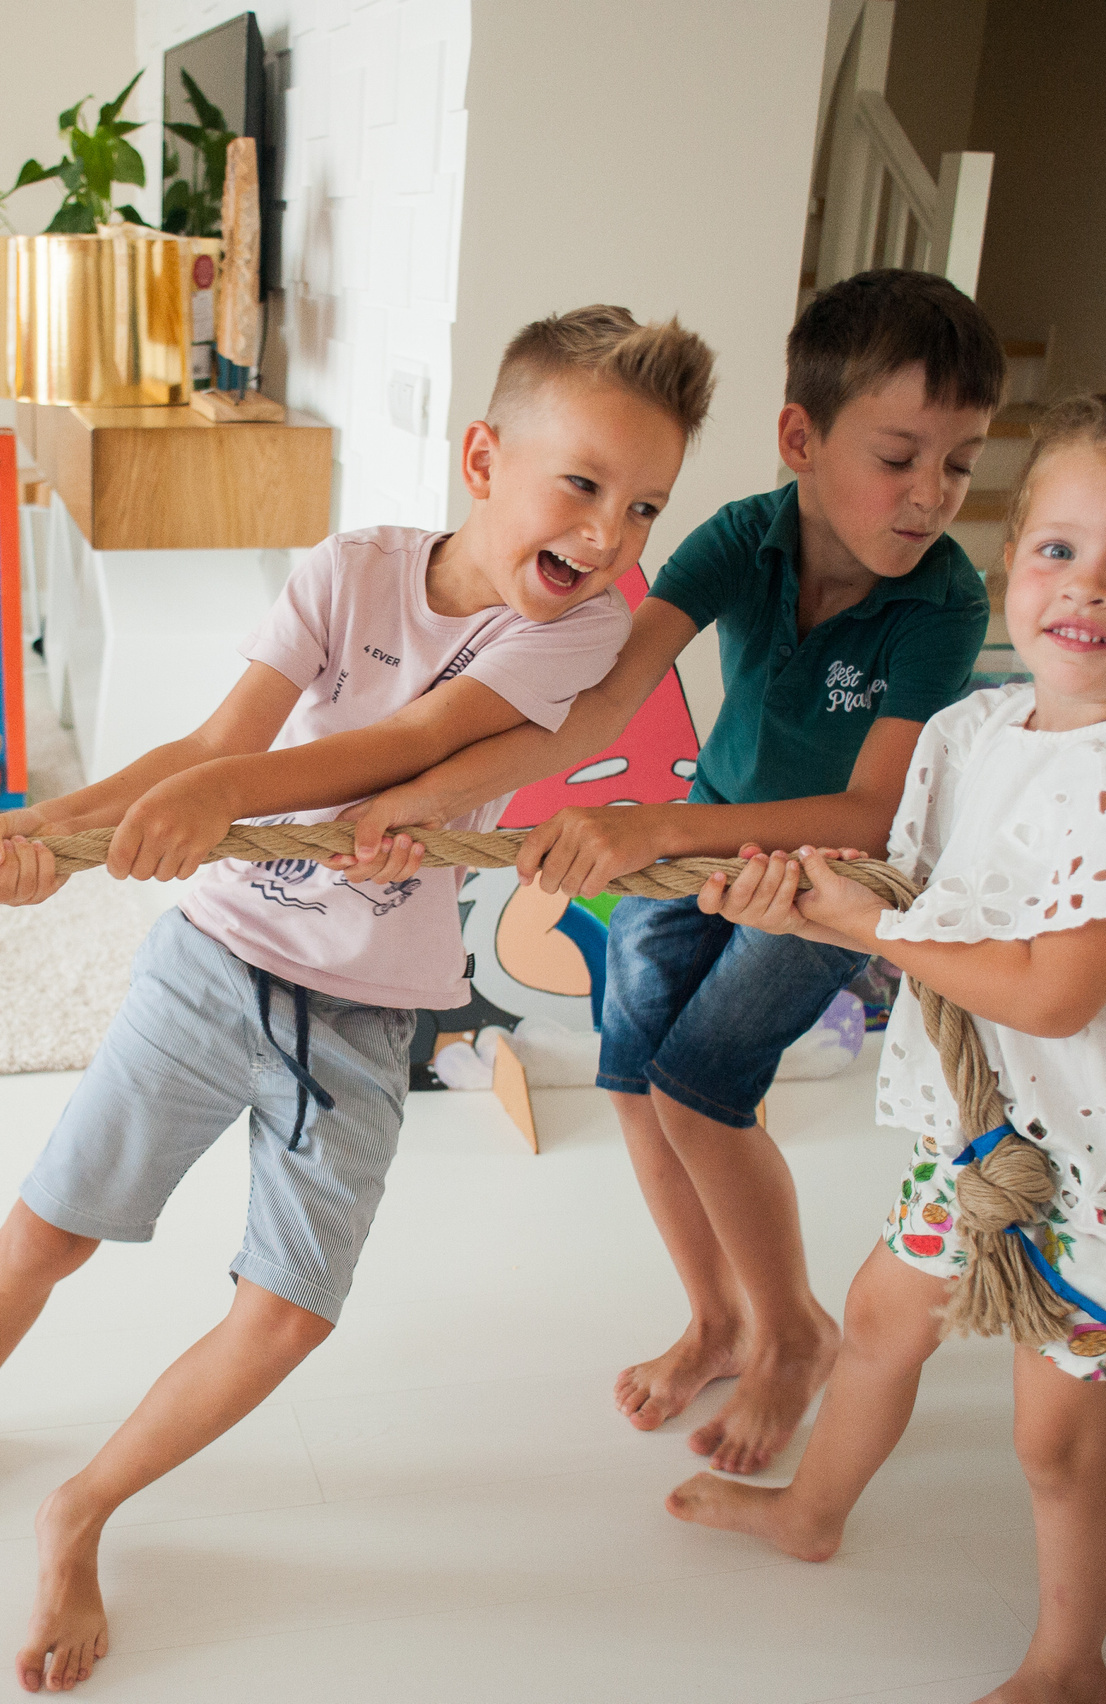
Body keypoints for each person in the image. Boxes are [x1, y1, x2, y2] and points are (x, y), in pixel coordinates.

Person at [0, 304, 714, 1692]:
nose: (610, 533)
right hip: (215, 958)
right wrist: (51, 833)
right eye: (585, 485)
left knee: (289, 1312)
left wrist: (216, 796)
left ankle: (83, 1507)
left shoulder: (575, 637)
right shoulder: (355, 570)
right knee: (48, 1230)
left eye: (645, 503)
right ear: (484, 457)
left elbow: (402, 747)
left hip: (363, 1020)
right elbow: (217, 744)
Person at [668, 377, 1106, 1704]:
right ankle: (812, 1511)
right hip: (995, 1137)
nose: (1088, 585)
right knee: (878, 1316)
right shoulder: (975, 727)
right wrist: (791, 884)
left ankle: (1070, 1664)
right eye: (1060, 548)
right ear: (1014, 561)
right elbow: (919, 896)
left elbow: (1052, 993)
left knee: (1054, 1445)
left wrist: (859, 927)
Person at [342, 269, 1005, 1473]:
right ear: (798, 438)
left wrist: (654, 830)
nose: (928, 497)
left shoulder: (944, 600)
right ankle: (714, 1319)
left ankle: (792, 1335)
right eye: (899, 456)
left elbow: (865, 813)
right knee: (633, 1079)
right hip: (706, 832)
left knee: (704, 1085)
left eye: (957, 465)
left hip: (821, 879)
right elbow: (601, 705)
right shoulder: (743, 538)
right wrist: (426, 797)